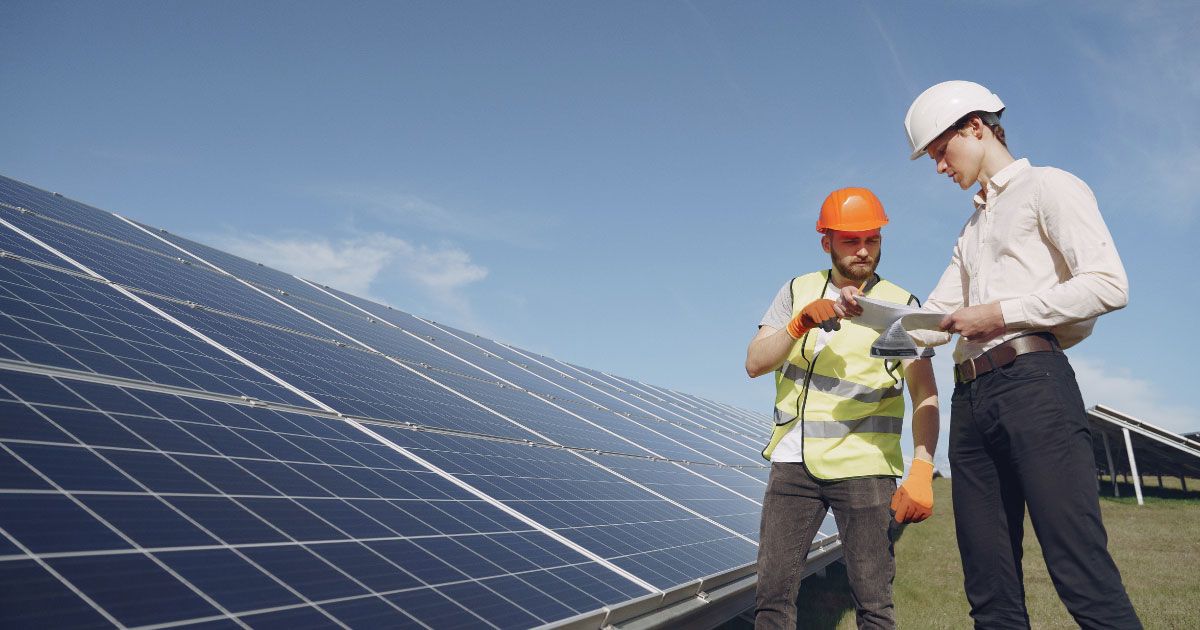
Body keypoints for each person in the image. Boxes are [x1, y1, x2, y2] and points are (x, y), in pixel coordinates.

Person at [843, 80, 1140, 629]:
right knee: (988, 585)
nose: (938, 168)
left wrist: (1000, 312)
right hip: (971, 405)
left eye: (939, 153)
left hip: (1035, 386)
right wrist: (866, 314)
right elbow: (935, 319)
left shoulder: (1049, 187)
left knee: (1080, 572)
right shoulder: (972, 229)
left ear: (975, 127)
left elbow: (1108, 284)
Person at [746, 187, 940, 630]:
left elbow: (924, 394)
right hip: (793, 465)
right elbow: (755, 363)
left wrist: (922, 468)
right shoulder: (797, 290)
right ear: (826, 242)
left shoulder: (900, 305)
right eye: (851, 241)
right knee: (772, 599)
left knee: (873, 605)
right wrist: (799, 323)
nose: (863, 250)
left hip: (866, 468)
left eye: (871, 239)